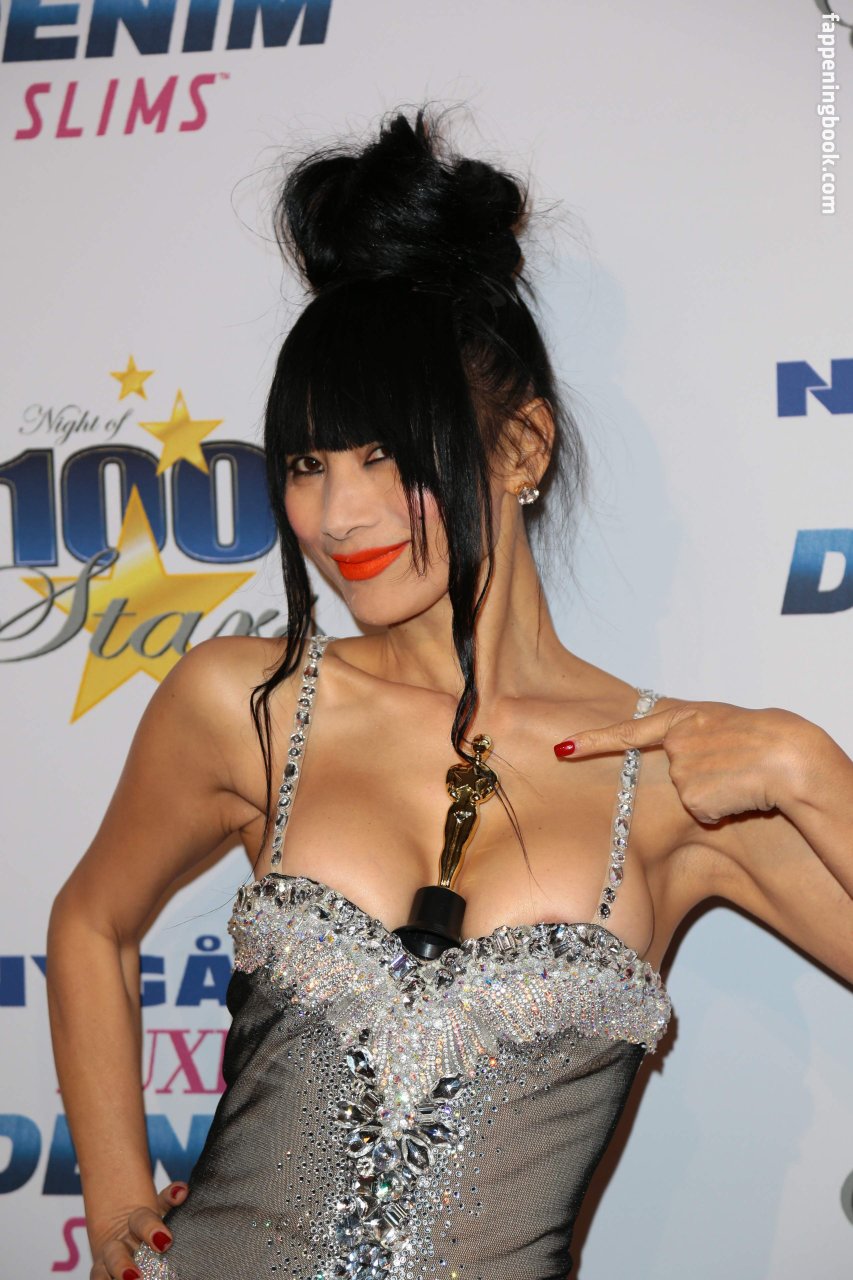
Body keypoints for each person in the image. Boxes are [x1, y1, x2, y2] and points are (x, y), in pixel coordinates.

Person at [46, 107, 853, 1280]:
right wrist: (119, 1207)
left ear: (521, 446)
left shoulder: (675, 774)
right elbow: (92, 921)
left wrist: (813, 774)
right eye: (308, 463)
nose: (339, 514)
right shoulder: (247, 701)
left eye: (385, 453)